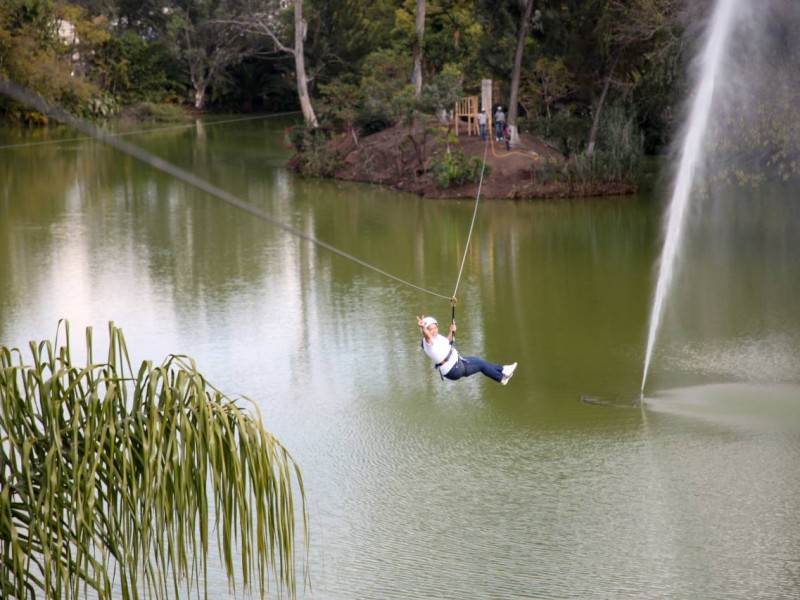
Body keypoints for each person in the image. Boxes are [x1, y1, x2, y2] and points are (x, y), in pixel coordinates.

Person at [417, 315, 517, 384]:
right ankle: (501, 378)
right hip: (453, 370)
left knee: (479, 361)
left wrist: (451, 331)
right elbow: (427, 337)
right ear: (426, 331)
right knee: (481, 365)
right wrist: (423, 328)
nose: (434, 331)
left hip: (457, 362)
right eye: (431, 329)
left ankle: (503, 369)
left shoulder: (437, 337)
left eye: (435, 328)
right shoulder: (428, 342)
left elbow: (447, 341)